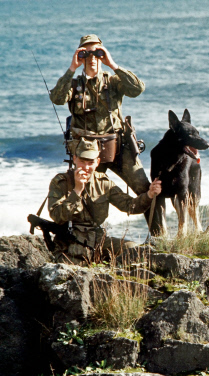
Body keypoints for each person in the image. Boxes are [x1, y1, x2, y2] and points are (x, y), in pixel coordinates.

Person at [49, 34, 164, 234]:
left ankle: (158, 236)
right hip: (87, 153)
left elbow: (137, 89)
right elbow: (57, 99)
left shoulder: (113, 81)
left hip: (117, 148)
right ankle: (86, 238)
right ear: (80, 56)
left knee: (146, 189)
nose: (92, 58)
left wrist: (112, 64)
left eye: (97, 52)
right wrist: (72, 69)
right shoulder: (74, 85)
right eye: (86, 53)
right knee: (86, 193)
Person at [48, 138, 162, 265]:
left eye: (90, 162)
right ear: (74, 159)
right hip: (69, 242)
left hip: (97, 240)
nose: (86, 167)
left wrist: (149, 194)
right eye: (82, 161)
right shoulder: (60, 182)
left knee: (135, 250)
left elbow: (129, 205)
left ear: (97, 162)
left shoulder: (103, 183)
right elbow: (57, 216)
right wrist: (77, 191)